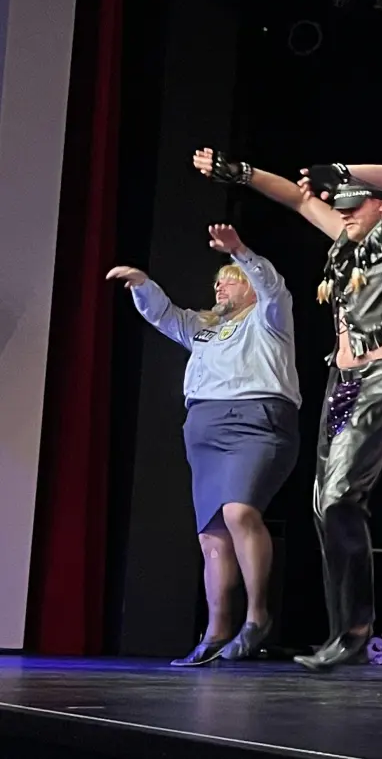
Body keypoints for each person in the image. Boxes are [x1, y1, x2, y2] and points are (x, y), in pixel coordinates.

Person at [193, 149, 382, 672]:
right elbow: (300, 199)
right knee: (325, 503)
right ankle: (344, 630)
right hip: (340, 377)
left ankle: (356, 630)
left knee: (343, 495)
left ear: (376, 204)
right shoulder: (346, 242)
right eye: (338, 206)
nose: (342, 213)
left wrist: (343, 172)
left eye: (352, 204)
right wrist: (243, 173)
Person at [108, 225, 300, 666]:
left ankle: (257, 617)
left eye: (229, 278)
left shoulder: (269, 317)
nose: (219, 285)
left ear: (249, 287)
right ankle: (216, 631)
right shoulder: (204, 327)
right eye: (217, 280)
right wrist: (143, 284)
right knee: (212, 535)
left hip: (255, 419)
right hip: (204, 428)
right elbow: (166, 316)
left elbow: (272, 284)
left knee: (239, 512)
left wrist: (241, 252)